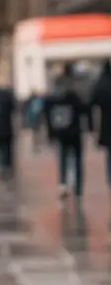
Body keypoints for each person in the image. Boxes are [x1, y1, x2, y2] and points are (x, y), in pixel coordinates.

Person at [45, 67, 86, 200]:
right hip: (74, 133)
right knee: (77, 159)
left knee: (62, 157)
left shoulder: (51, 99)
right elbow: (83, 110)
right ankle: (78, 187)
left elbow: (48, 117)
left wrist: (50, 134)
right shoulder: (73, 97)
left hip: (60, 133)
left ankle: (63, 184)